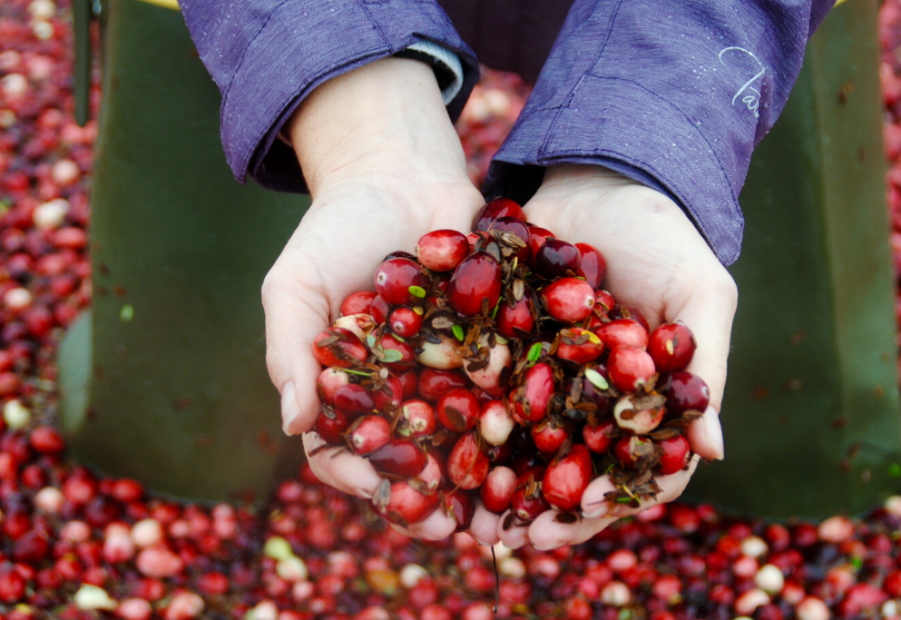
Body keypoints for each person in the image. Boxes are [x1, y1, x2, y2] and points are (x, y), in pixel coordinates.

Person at [179, 0, 839, 549]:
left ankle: (781, 487)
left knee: (796, 254)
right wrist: (358, 124)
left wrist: (650, 144)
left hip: (709, 42)